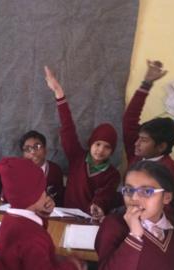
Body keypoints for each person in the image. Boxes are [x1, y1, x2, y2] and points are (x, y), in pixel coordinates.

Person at [45, 66, 120, 218]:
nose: (100, 150)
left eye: (107, 147)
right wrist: (59, 93)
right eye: (97, 144)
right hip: (64, 215)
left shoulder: (113, 174)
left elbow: (105, 196)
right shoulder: (77, 157)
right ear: (91, 143)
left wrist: (97, 205)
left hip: (89, 220)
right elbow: (68, 128)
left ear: (112, 151)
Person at [95, 161, 174, 270]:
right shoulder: (113, 226)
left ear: (166, 197)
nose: (134, 198)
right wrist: (135, 235)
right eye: (128, 190)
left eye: (146, 191)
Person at [0, 157, 83, 270]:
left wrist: (41, 215)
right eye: (43, 190)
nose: (46, 195)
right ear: (33, 197)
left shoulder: (9, 219)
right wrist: (73, 266)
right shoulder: (34, 238)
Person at [123, 60, 174, 213]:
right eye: (138, 138)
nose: (136, 143)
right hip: (127, 215)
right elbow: (129, 119)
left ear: (161, 146)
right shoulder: (138, 156)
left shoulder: (171, 171)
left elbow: (169, 210)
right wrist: (146, 84)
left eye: (144, 140)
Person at [19, 130, 64, 206]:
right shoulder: (17, 171)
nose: (33, 152)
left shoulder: (55, 170)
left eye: (37, 147)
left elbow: (60, 198)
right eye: (27, 149)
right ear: (23, 154)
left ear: (45, 149)